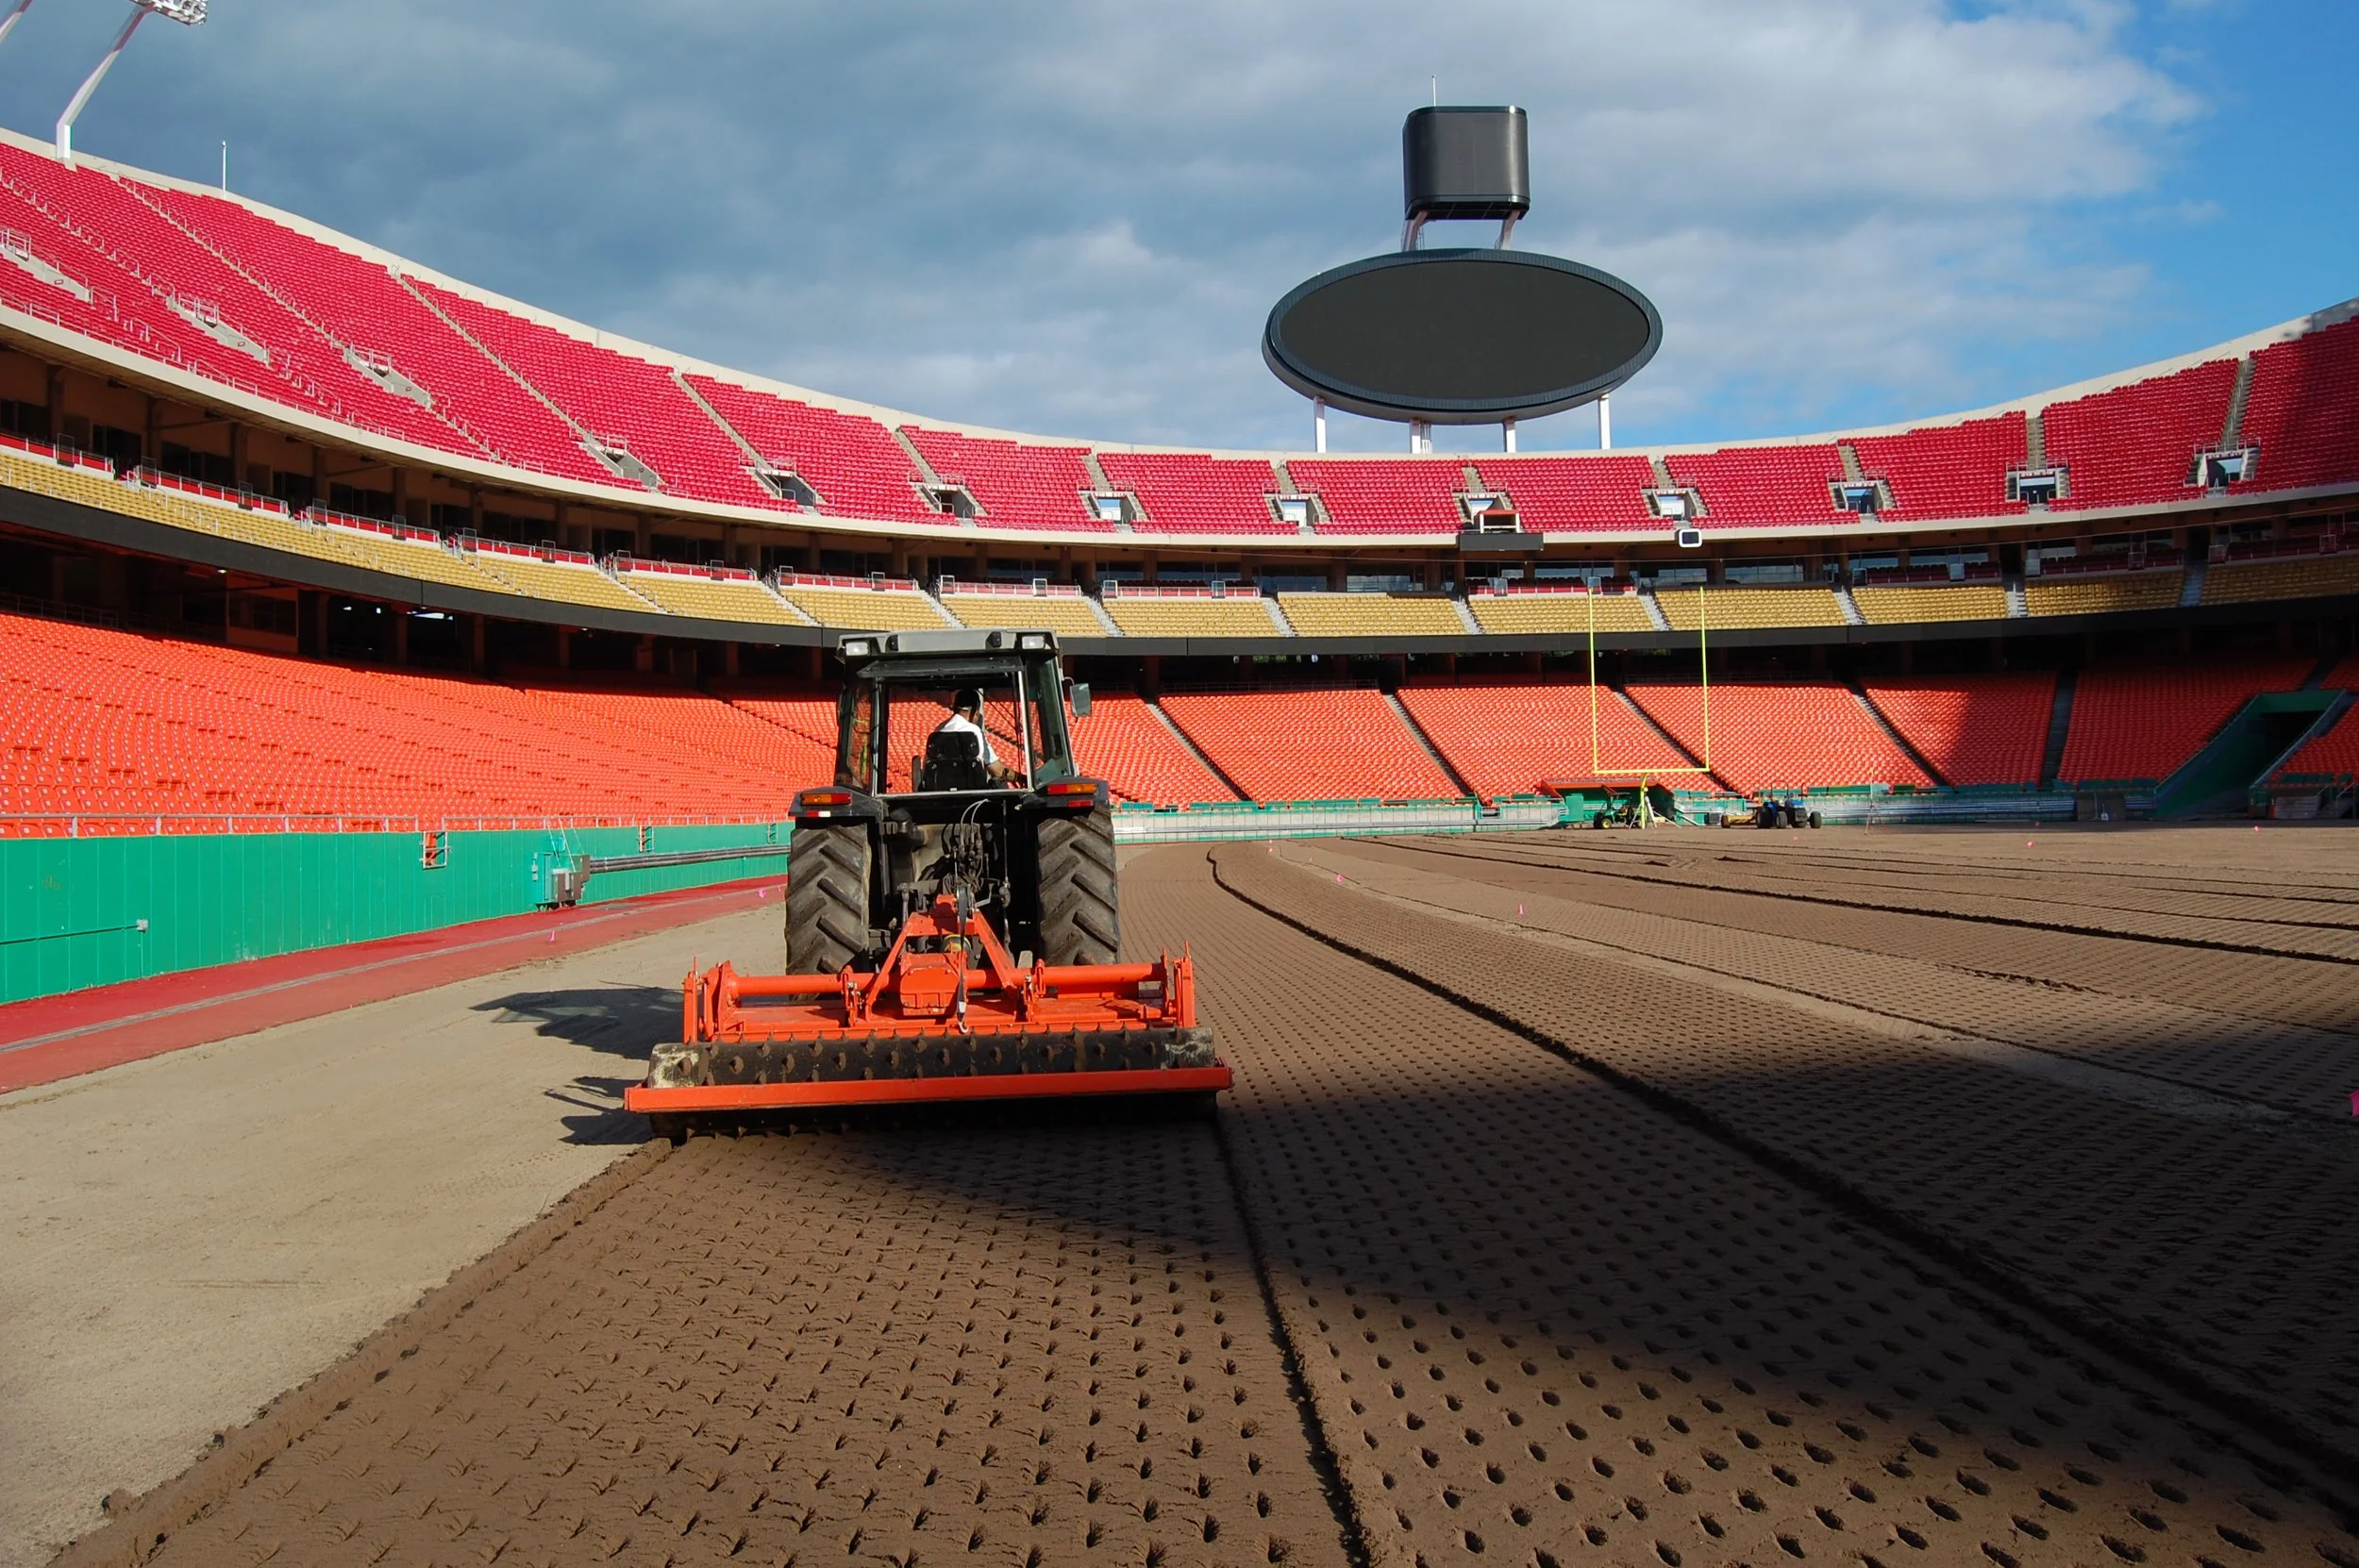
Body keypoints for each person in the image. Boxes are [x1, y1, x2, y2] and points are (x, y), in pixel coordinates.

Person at [933, 689, 1009, 784]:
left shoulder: (939, 729)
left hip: (941, 789)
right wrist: (1019, 777)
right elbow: (997, 770)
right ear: (976, 712)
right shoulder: (974, 731)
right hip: (971, 792)